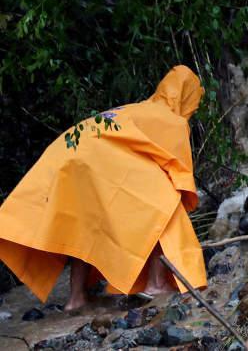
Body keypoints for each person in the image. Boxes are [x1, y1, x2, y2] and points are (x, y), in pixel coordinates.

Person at [0, 65, 208, 310]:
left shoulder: (135, 109)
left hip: (68, 152)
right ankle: (156, 284)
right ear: (187, 98)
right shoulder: (170, 119)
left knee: (84, 225)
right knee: (163, 207)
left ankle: (76, 299)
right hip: (94, 159)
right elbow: (177, 174)